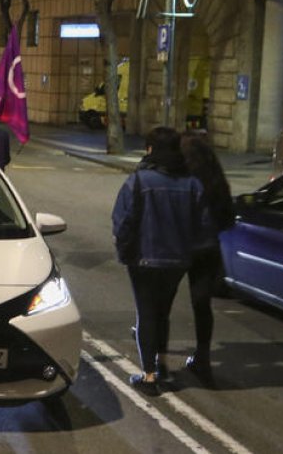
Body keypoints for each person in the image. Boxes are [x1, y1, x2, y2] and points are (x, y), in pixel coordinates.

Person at [112, 126, 203, 396]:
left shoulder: (140, 181)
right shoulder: (192, 183)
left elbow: (123, 221)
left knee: (147, 313)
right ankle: (162, 364)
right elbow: (202, 223)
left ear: (151, 149)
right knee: (163, 312)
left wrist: (123, 247)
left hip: (145, 259)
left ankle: (149, 375)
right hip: (178, 261)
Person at [180, 132, 234, 383]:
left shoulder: (183, 180)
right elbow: (227, 217)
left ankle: (155, 355)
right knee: (202, 304)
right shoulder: (215, 180)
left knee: (161, 300)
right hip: (207, 248)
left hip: (179, 247)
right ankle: (203, 357)